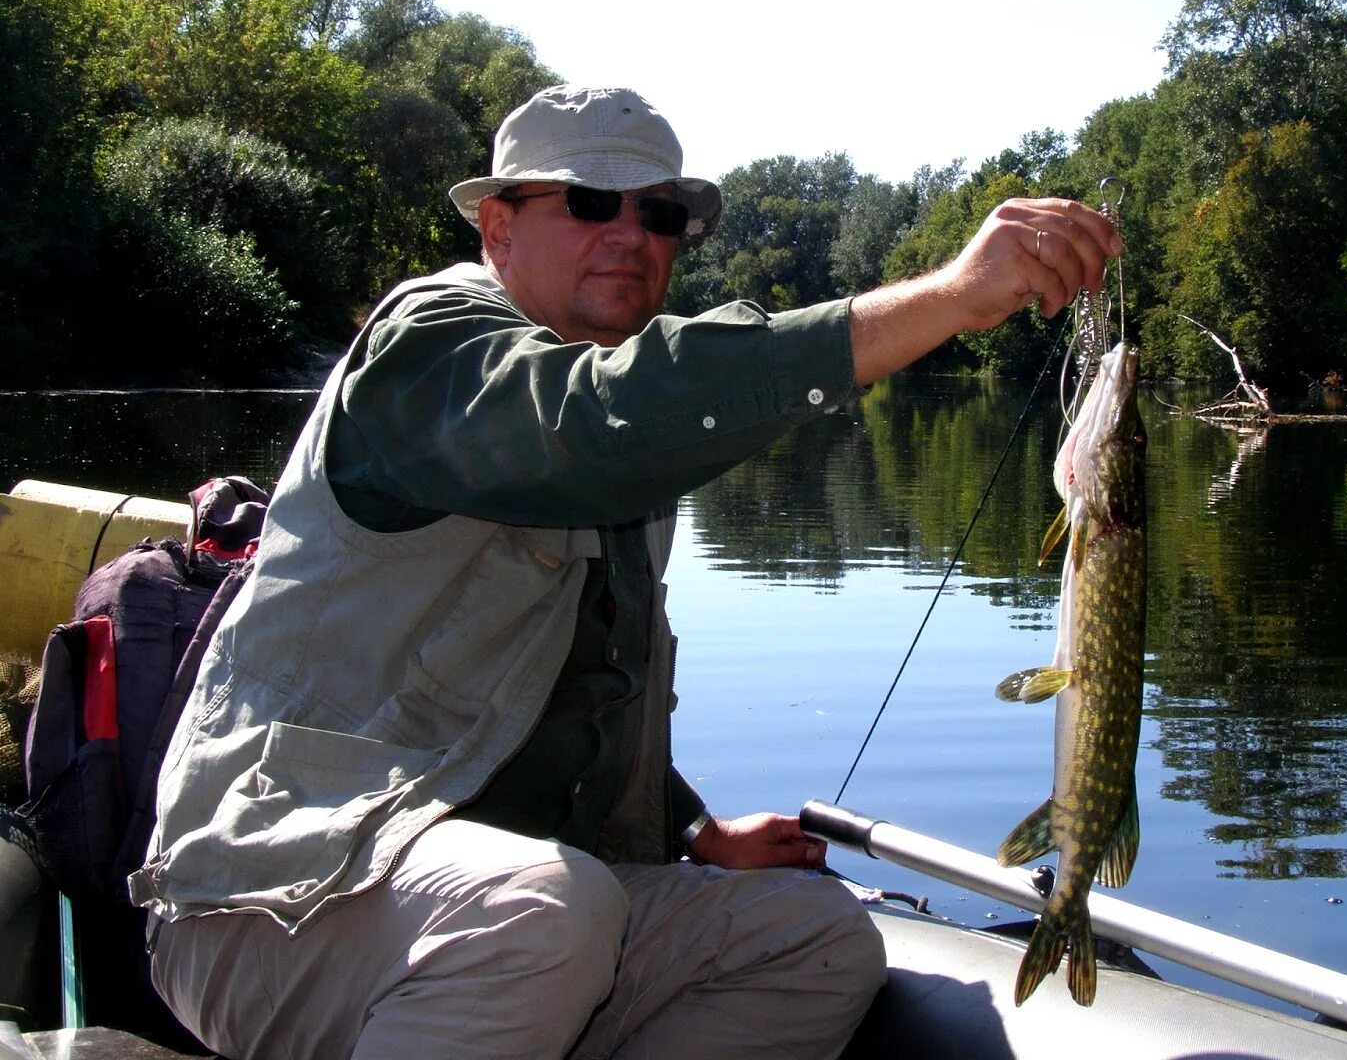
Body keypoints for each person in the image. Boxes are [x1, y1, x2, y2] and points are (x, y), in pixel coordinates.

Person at [130, 84, 1122, 1060]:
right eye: (590, 203)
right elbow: (593, 419)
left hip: (504, 909)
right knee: (540, 913)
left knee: (813, 941)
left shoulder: (632, 428)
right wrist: (947, 298)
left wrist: (692, 827)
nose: (633, 234)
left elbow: (557, 688)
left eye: (660, 214)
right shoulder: (428, 351)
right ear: (497, 226)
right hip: (274, 900)